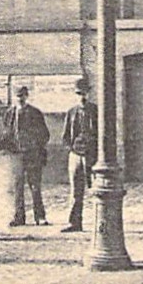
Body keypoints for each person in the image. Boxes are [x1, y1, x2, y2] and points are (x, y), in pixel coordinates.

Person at [3, 85, 50, 226]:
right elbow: (7, 133)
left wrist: (34, 146)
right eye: (18, 96)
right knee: (17, 187)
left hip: (32, 155)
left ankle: (40, 217)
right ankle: (19, 217)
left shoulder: (35, 113)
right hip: (16, 155)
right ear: (14, 97)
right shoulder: (10, 114)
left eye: (22, 96)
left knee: (35, 186)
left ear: (27, 96)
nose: (20, 99)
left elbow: (45, 135)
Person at [60, 78, 96, 233]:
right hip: (75, 156)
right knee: (76, 190)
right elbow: (65, 136)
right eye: (79, 93)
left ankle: (99, 223)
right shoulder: (71, 112)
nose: (82, 97)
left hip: (93, 156)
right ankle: (75, 222)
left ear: (89, 93)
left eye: (85, 93)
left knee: (97, 189)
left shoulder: (96, 111)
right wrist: (73, 149)